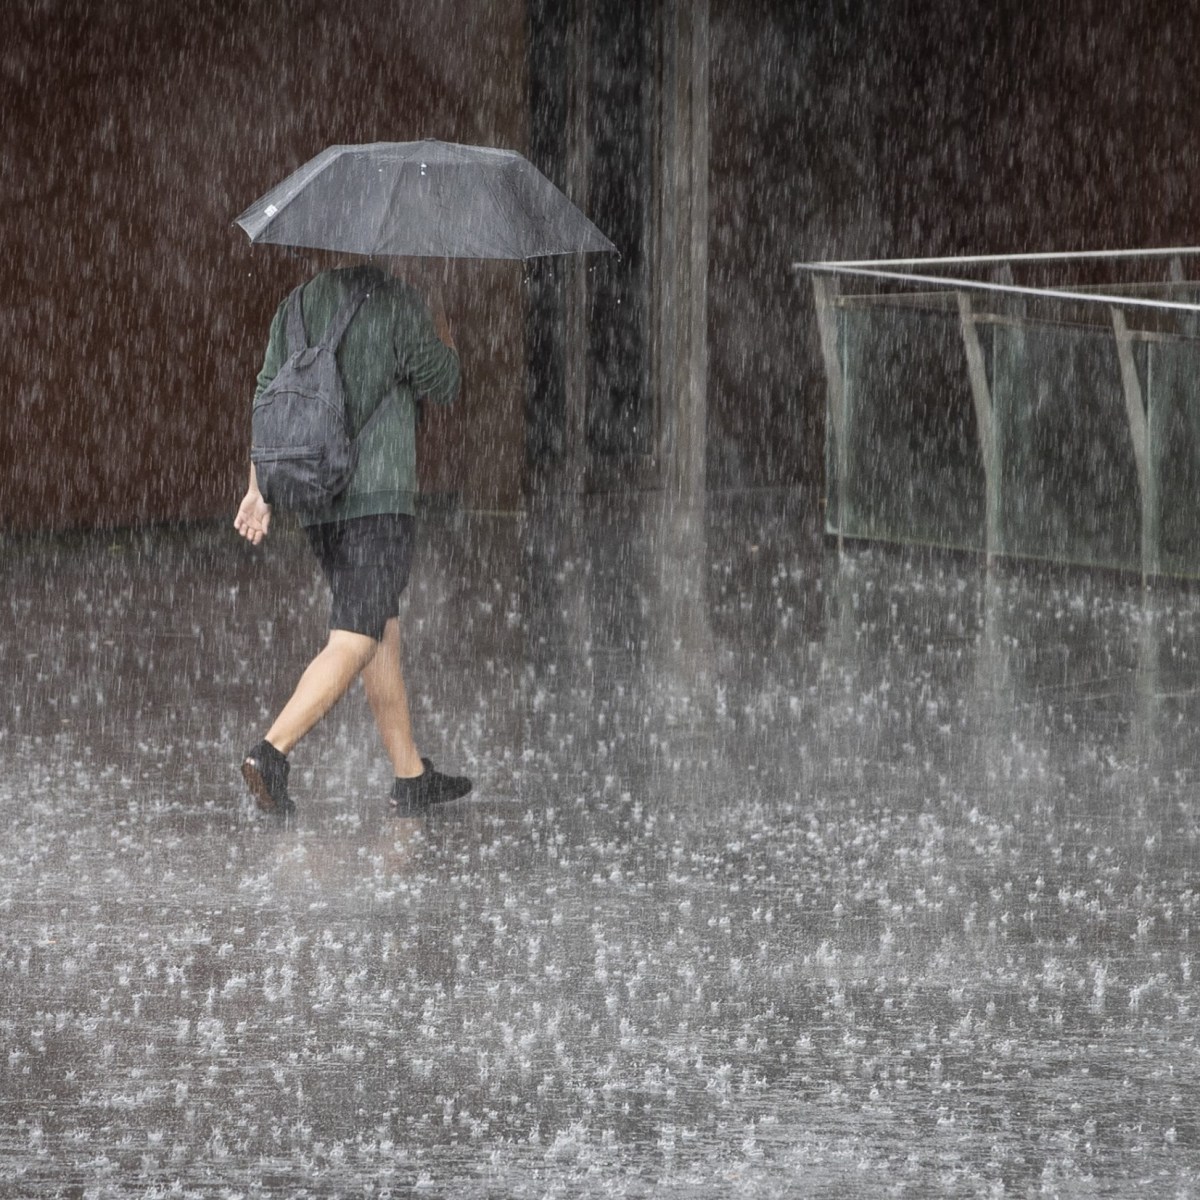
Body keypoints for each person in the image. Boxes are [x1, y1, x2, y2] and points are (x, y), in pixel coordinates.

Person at [234, 261, 472, 819]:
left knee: (378, 626)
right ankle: (272, 752)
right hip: (377, 500)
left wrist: (257, 488)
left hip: (318, 500)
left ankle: (410, 774)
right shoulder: (399, 301)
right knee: (358, 634)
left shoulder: (295, 305)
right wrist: (441, 324)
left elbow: (267, 400)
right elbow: (445, 382)